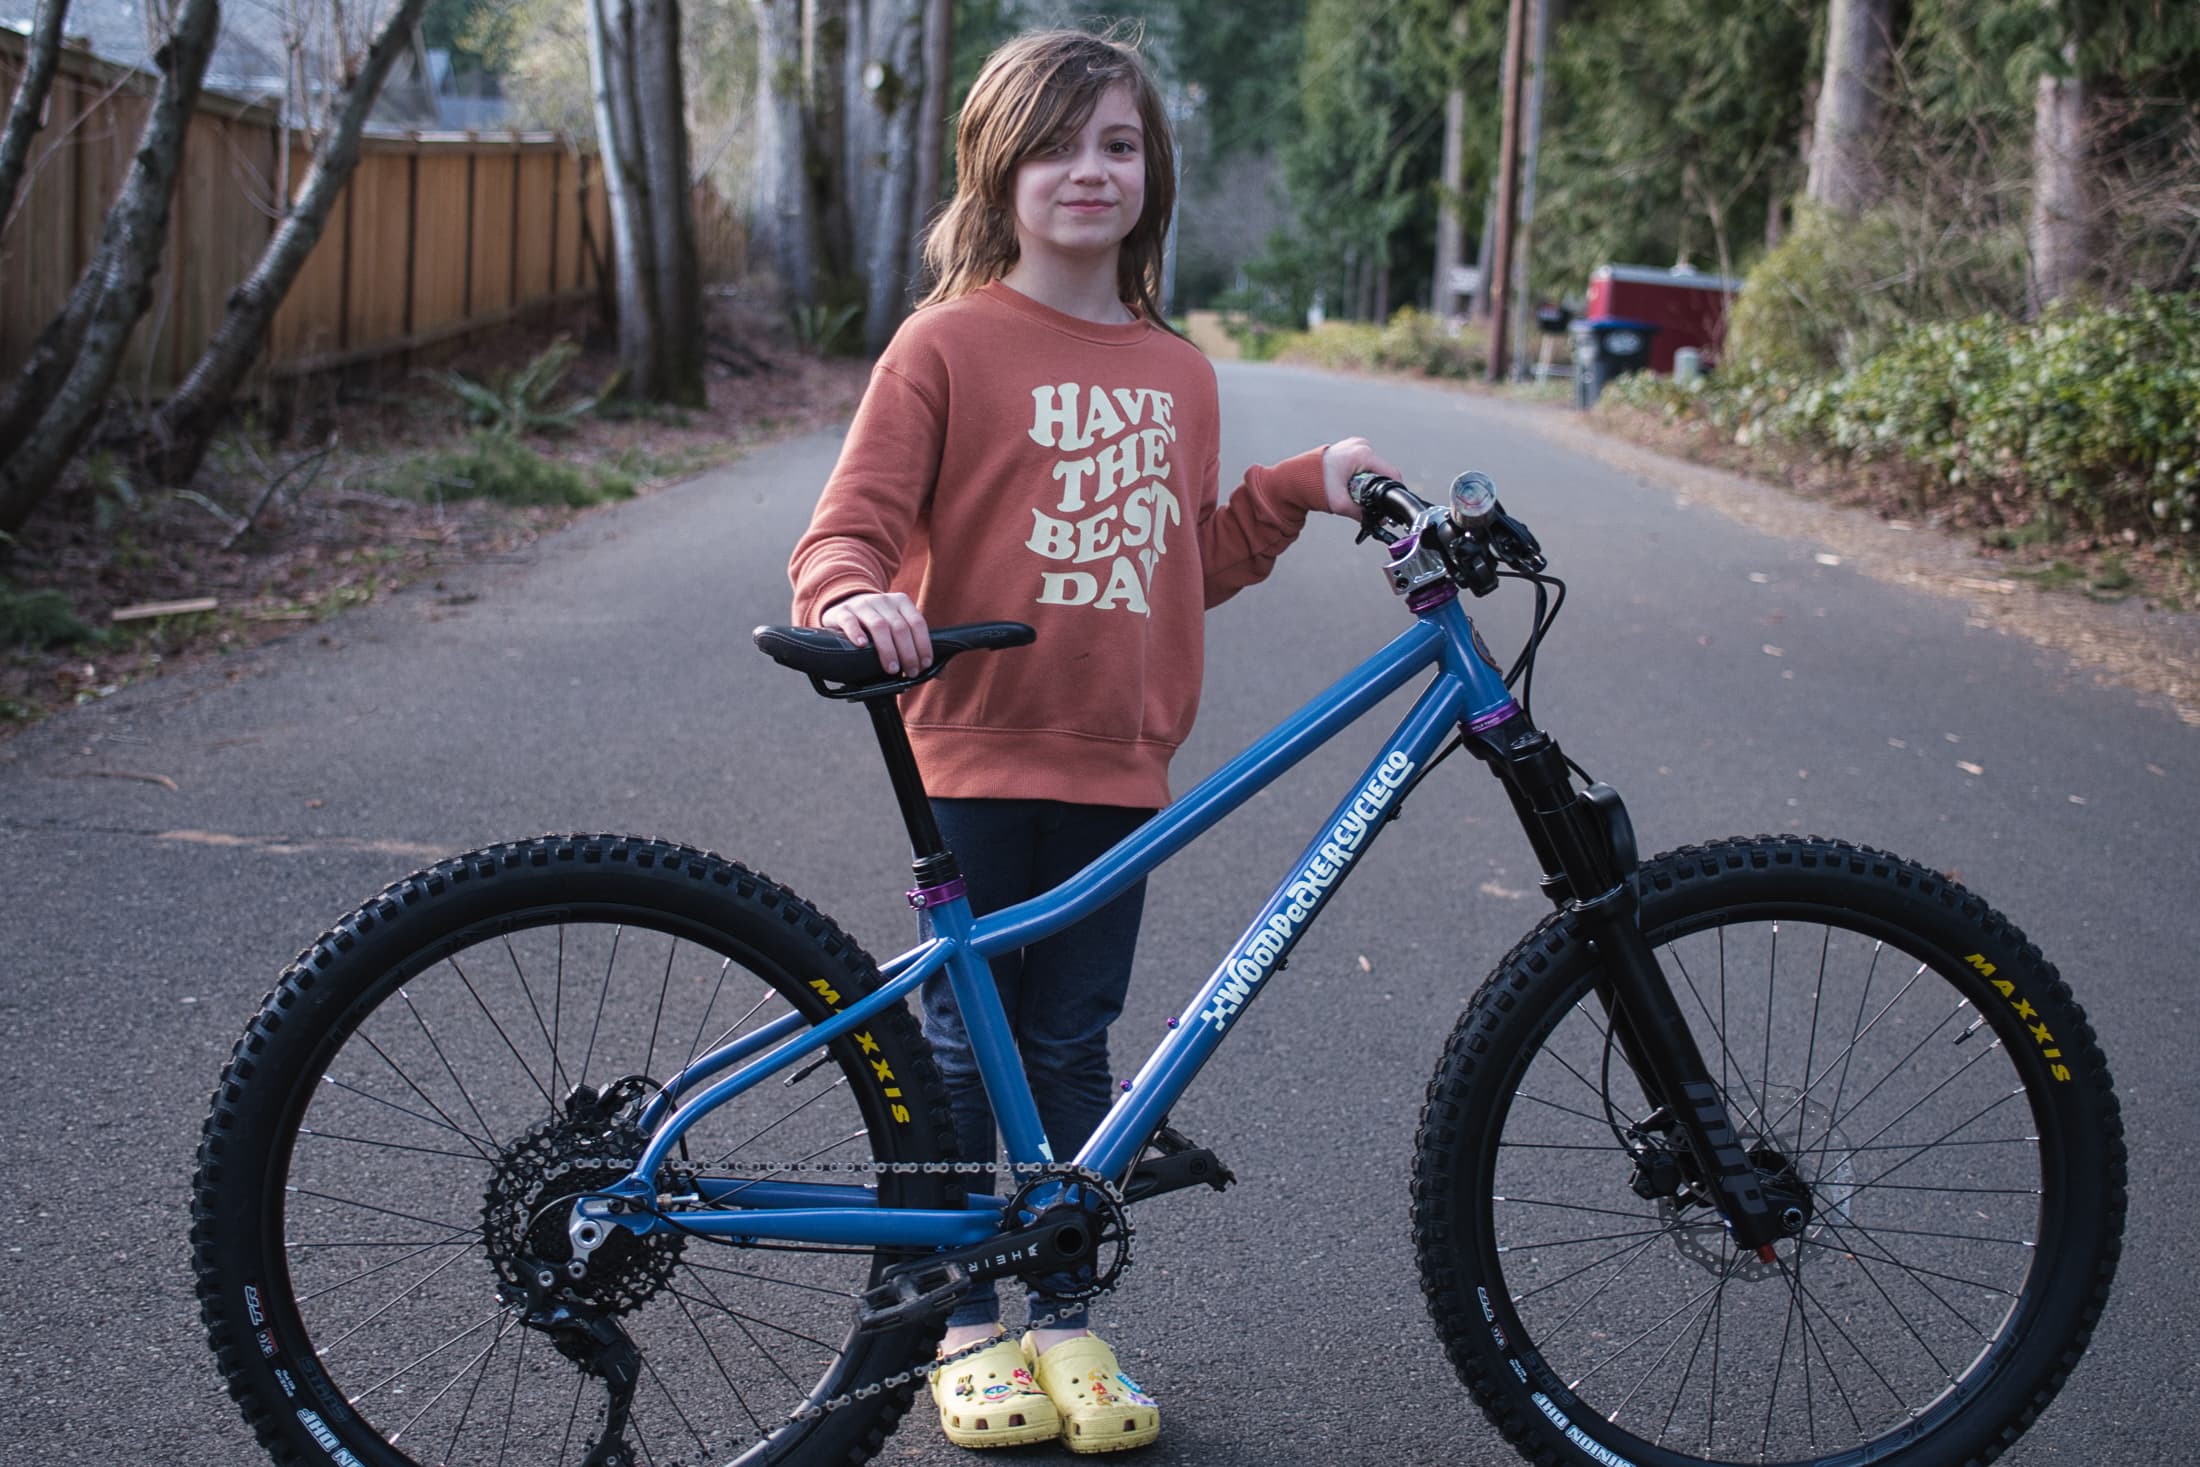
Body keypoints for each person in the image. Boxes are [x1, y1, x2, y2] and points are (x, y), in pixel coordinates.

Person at [787, 25, 1400, 1456]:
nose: (1089, 169)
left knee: (1073, 1047)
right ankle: (957, 1319)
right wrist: (856, 596)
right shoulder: (945, 343)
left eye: (1118, 144)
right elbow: (849, 528)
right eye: (1057, 144)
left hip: (1122, 767)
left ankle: (1060, 1312)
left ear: (1153, 176)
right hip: (979, 746)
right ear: (997, 173)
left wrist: (1302, 486)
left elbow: (1179, 558)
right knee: (959, 1046)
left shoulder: (1177, 373)